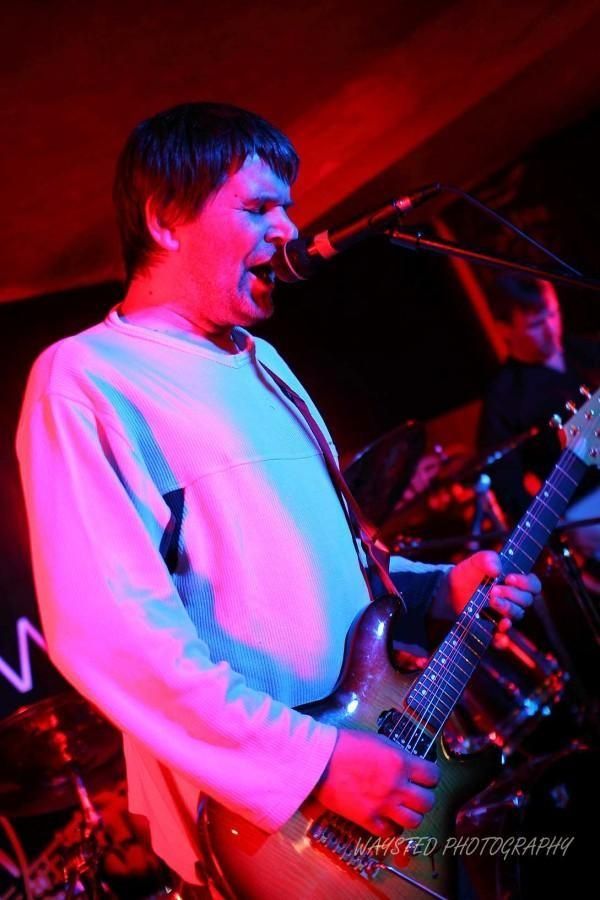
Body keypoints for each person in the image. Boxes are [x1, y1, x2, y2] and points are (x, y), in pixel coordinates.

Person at [16, 103, 540, 889]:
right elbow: (113, 634)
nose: (289, 229)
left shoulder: (266, 364)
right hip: (269, 836)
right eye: (260, 207)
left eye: (287, 208)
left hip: (367, 799)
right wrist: (313, 761)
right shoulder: (88, 379)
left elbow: (333, 563)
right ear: (164, 220)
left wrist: (438, 592)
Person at [478, 275, 600, 588]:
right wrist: (560, 531)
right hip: (584, 512)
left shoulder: (587, 352)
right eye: (535, 324)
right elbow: (508, 489)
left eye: (553, 314)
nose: (551, 330)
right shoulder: (505, 398)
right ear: (505, 329)